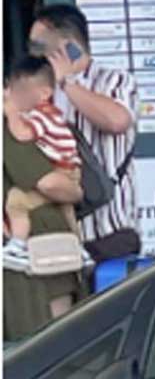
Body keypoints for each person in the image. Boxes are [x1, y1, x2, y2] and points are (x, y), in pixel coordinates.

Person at [28, 4, 137, 258]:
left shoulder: (114, 80)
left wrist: (67, 82)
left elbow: (117, 121)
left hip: (110, 231)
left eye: (38, 46)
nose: (34, 54)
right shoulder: (39, 88)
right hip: (57, 233)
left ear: (65, 44)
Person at [4, 56, 85, 338]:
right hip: (37, 262)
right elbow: (51, 184)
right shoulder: (11, 131)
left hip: (35, 258)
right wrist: (75, 191)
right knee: (52, 348)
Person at [4, 55, 81, 238]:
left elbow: (50, 183)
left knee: (17, 202)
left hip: (43, 248)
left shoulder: (36, 117)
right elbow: (52, 185)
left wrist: (11, 114)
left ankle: (17, 246)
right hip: (41, 247)